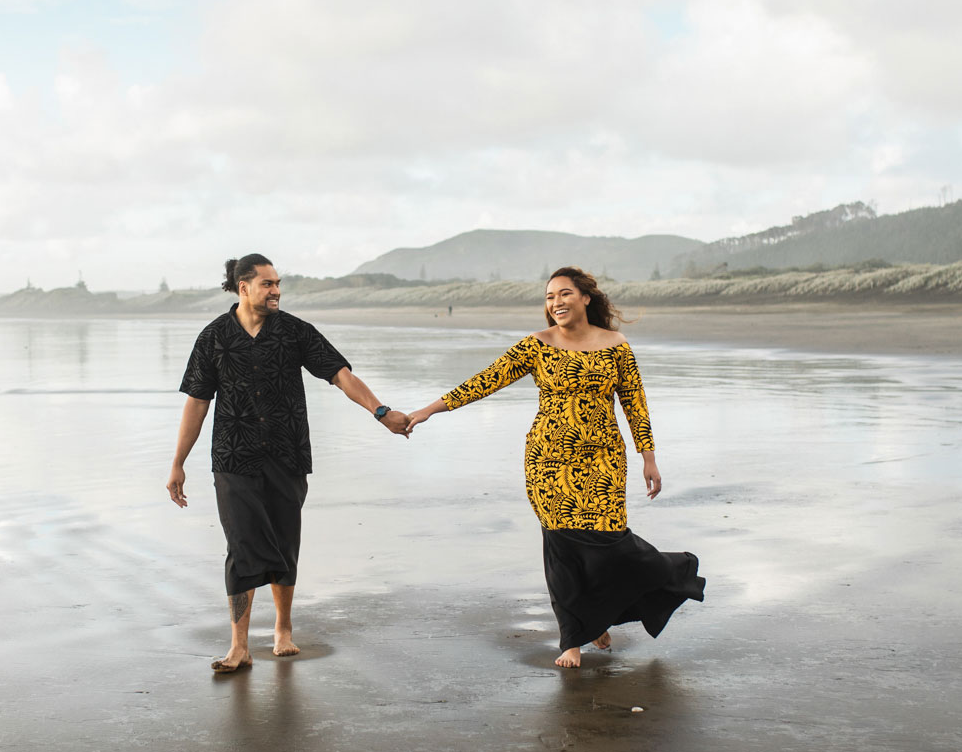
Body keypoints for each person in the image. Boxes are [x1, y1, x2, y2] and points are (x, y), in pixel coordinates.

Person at [404, 266, 704, 668]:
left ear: (584, 298)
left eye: (564, 294)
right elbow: (483, 381)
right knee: (562, 546)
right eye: (549, 297)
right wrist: (428, 411)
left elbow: (635, 402)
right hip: (548, 460)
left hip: (603, 460)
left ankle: (657, 580)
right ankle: (573, 638)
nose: (556, 302)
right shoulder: (537, 345)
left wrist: (648, 457)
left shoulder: (615, 345)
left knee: (608, 545)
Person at [169, 253, 412, 672]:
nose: (276, 290)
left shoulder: (295, 331)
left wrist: (380, 411)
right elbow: (197, 401)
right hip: (233, 456)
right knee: (241, 546)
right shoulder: (213, 337)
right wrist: (178, 462)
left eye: (278, 283)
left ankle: (283, 628)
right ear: (243, 288)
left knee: (284, 541)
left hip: (287, 453)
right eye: (267, 284)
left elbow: (340, 375)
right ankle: (239, 646)